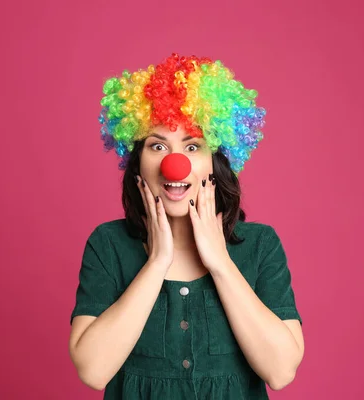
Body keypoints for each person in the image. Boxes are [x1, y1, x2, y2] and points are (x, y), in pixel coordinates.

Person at [69, 53, 304, 399]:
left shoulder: (260, 245)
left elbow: (281, 371)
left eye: (192, 146)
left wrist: (220, 263)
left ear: (214, 162)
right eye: (157, 145)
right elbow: (92, 370)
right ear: (138, 163)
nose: (173, 164)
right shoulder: (108, 244)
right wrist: (156, 264)